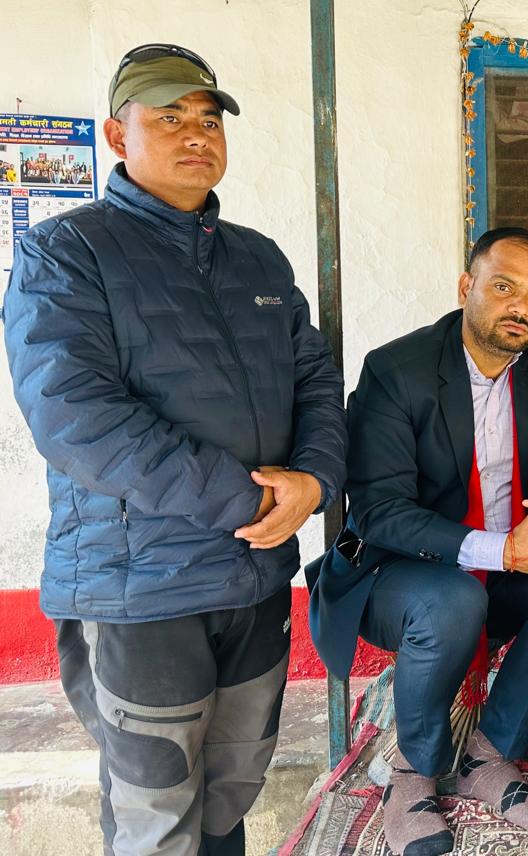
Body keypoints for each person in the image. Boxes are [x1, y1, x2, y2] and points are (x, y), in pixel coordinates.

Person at [2, 44, 347, 856]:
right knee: (156, 813)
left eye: (208, 119)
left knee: (230, 795)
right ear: (117, 136)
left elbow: (315, 379)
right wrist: (250, 501)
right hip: (141, 589)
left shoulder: (257, 259)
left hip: (255, 577)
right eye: (169, 117)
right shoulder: (66, 254)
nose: (196, 134)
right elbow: (77, 418)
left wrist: (314, 480)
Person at [307, 227, 528, 855]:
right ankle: (413, 771)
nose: (520, 308)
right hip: (398, 573)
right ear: (466, 287)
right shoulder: (397, 371)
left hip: (503, 567)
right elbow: (378, 512)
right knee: (452, 599)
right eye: (504, 288)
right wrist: (502, 551)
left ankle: (490, 753)